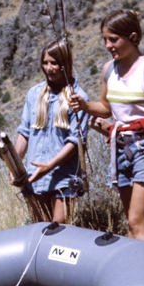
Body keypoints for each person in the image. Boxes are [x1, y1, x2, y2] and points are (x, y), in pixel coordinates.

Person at [69, 10, 144, 242]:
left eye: (114, 39)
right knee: (131, 224)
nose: (108, 45)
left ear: (133, 37)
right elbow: (106, 108)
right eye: (105, 39)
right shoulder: (109, 70)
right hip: (120, 149)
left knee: (137, 222)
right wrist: (84, 105)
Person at [14, 39, 90, 224]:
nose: (49, 68)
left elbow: (75, 141)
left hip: (64, 177)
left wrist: (50, 166)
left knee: (59, 230)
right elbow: (25, 132)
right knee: (41, 230)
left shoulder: (78, 98)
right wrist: (14, 165)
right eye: (45, 63)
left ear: (65, 64)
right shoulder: (34, 94)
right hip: (34, 176)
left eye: (54, 63)